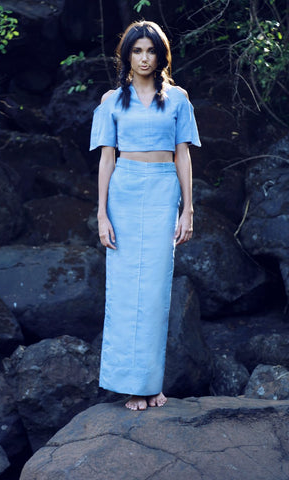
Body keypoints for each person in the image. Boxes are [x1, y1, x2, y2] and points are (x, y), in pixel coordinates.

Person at [90, 20, 201, 411]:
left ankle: (150, 383)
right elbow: (107, 158)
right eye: (136, 51)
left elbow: (183, 154)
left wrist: (188, 209)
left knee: (155, 289)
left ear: (160, 55)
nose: (143, 58)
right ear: (127, 55)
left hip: (162, 187)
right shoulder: (110, 101)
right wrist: (101, 214)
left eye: (150, 51)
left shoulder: (178, 99)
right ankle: (130, 384)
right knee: (123, 289)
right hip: (124, 189)